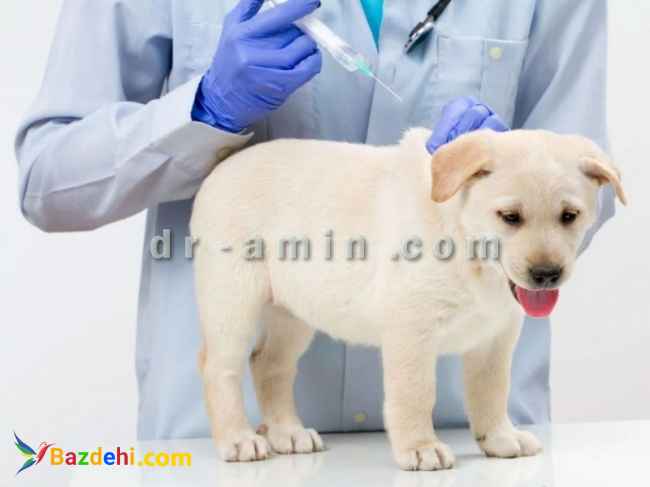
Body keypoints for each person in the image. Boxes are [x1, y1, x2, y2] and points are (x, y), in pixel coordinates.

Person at [15, 0, 613, 440]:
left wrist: (512, 181)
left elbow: (592, 190)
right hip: (225, 449)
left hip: (464, 443)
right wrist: (203, 110)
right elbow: (48, 178)